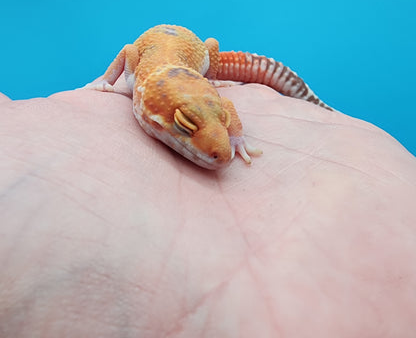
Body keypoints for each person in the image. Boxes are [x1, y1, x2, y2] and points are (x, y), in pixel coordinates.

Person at [1, 81, 415, 337]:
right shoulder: (141, 80)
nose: (220, 154)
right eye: (184, 124)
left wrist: (234, 133)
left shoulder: (209, 101)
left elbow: (219, 110)